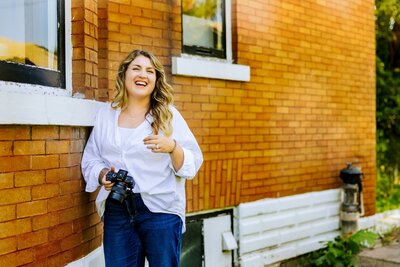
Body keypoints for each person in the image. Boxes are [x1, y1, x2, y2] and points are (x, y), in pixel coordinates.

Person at [81, 49, 203, 267]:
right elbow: (91, 158)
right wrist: (102, 175)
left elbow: (193, 162)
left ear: (156, 80)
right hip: (118, 208)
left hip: (161, 210)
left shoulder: (168, 115)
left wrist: (172, 147)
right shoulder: (106, 115)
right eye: (136, 68)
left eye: (150, 71)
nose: (143, 75)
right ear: (124, 74)